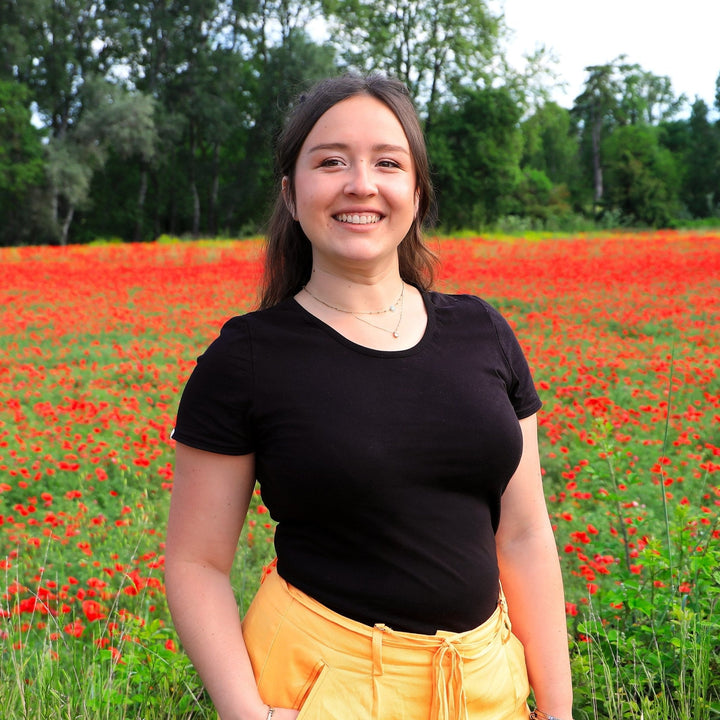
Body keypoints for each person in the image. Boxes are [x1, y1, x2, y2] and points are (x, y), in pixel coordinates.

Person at [165, 73, 574, 720]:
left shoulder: (484, 332)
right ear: (291, 196)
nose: (361, 183)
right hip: (325, 686)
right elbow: (196, 562)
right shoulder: (246, 359)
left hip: (485, 681)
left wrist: (556, 709)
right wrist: (246, 713)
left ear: (417, 192)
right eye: (330, 162)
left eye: (388, 162)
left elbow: (524, 534)